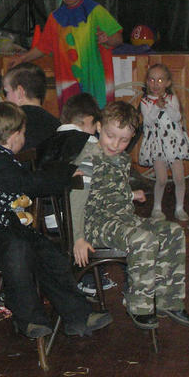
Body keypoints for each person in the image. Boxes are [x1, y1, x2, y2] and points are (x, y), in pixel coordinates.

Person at [0, 102, 112, 338]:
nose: (24, 138)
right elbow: (30, 183)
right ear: (14, 136)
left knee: (48, 253)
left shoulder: (2, 158)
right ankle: (29, 318)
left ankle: (78, 316)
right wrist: (65, 175)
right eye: (23, 133)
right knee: (18, 250)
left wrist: (63, 173)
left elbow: (29, 178)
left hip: (9, 230)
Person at [71, 101, 189, 330]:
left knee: (173, 232)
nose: (115, 144)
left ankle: (169, 300)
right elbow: (77, 200)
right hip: (95, 223)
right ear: (98, 127)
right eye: (110, 136)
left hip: (122, 219)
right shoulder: (89, 159)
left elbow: (106, 190)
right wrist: (78, 237)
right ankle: (139, 305)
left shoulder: (120, 159)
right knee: (142, 239)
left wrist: (130, 194)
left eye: (124, 140)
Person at [35, 92, 115, 296]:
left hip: (46, 219)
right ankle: (91, 276)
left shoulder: (44, 144)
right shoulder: (89, 143)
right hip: (72, 220)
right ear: (89, 120)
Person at [11, 0, 123, 110]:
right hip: (68, 84)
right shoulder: (55, 17)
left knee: (97, 117)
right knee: (71, 118)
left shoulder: (95, 11)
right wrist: (22, 59)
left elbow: (118, 39)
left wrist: (107, 39)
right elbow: (43, 47)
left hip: (95, 82)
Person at [138, 64, 189, 222]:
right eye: (152, 80)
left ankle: (180, 208)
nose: (156, 84)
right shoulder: (145, 102)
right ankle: (156, 208)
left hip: (174, 144)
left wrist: (166, 106)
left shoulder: (172, 98)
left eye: (160, 80)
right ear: (147, 82)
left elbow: (177, 117)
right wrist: (157, 107)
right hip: (157, 145)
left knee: (179, 178)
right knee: (161, 179)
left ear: (168, 83)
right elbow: (148, 122)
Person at [3, 62, 59, 151]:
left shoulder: (9, 124)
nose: (5, 99)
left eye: (6, 92)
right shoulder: (57, 125)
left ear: (20, 92)